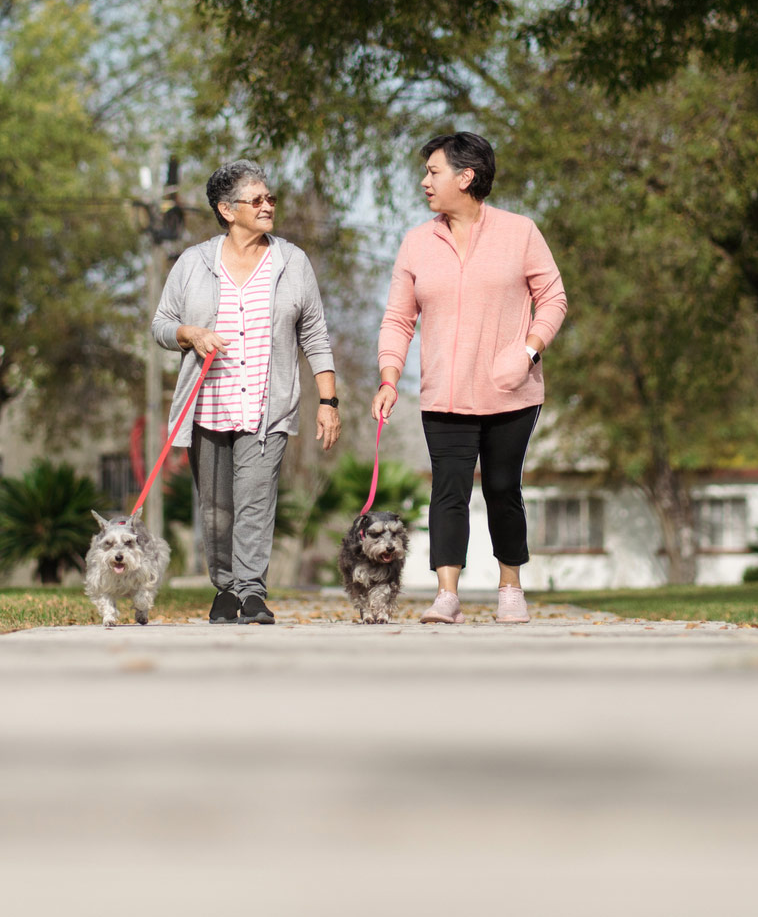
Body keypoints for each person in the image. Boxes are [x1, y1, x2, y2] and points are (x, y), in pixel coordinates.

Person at [371, 132, 567, 625]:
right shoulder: (417, 242)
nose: (424, 181)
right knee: (448, 489)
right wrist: (390, 377)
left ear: (466, 177)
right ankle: (447, 595)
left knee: (502, 487)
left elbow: (553, 299)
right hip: (444, 393)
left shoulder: (520, 232)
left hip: (511, 390)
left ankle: (510, 588)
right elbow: (398, 318)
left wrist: (528, 351)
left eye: (433, 172)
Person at [152, 160, 341, 624]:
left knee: (256, 502)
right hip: (207, 406)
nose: (267, 206)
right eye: (256, 200)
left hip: (266, 407)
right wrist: (190, 334)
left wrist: (328, 401)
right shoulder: (193, 263)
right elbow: (161, 325)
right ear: (227, 209)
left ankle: (252, 592)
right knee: (216, 509)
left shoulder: (291, 262)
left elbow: (315, 335)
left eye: (269, 198)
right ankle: (225, 589)